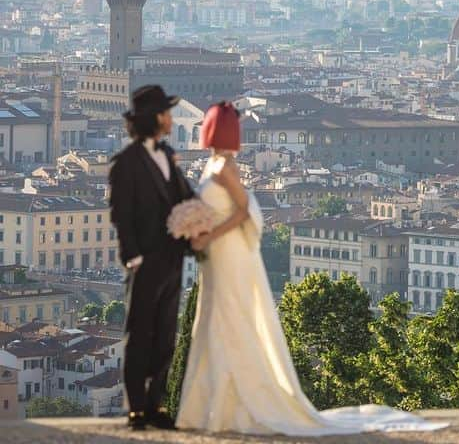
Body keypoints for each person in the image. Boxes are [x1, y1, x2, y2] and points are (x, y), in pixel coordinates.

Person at [176, 101, 441, 435]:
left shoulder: (225, 166)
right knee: (217, 320)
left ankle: (232, 405)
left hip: (228, 253)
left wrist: (207, 234)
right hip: (219, 254)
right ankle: (222, 405)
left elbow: (243, 212)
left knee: (227, 320)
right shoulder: (215, 164)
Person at [108, 85, 193, 430]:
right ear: (157, 118)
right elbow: (121, 214)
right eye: (168, 113)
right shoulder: (126, 163)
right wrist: (133, 257)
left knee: (165, 334)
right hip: (145, 262)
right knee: (140, 334)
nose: (172, 119)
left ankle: (155, 404)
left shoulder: (168, 154)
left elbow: (184, 198)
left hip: (172, 260)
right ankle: (136, 408)